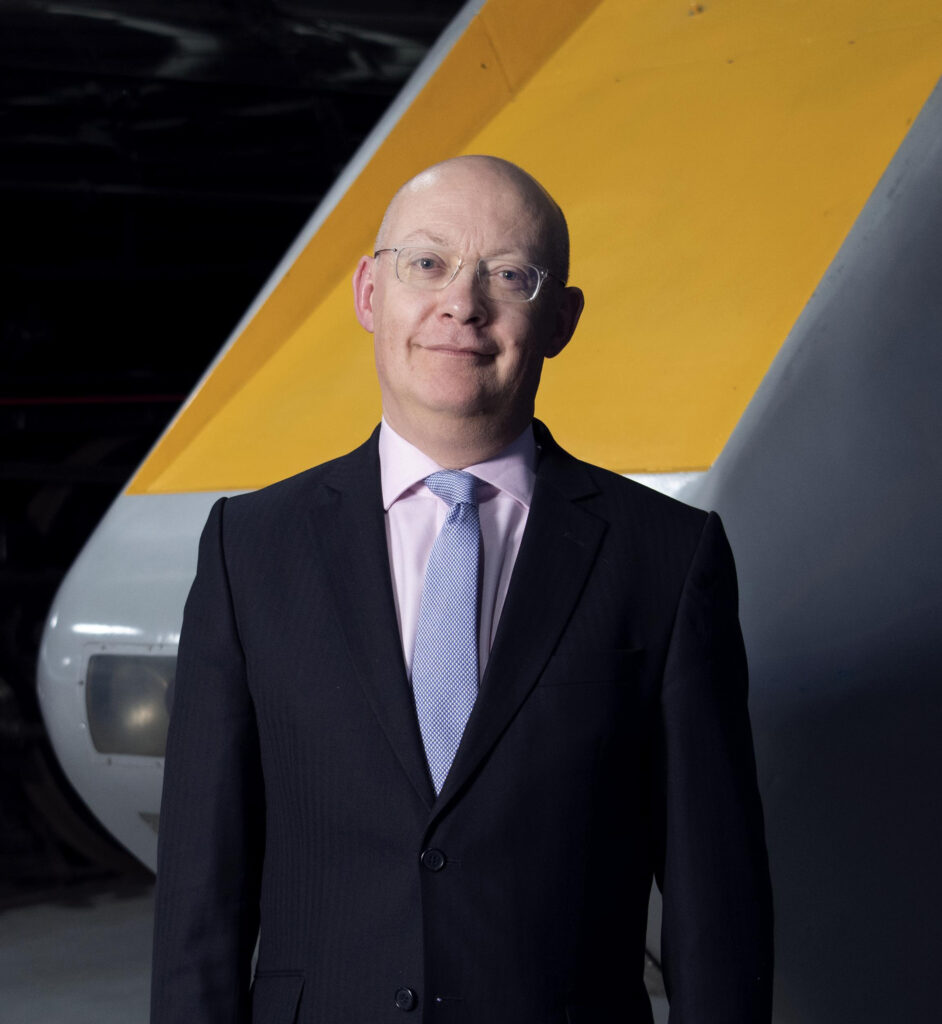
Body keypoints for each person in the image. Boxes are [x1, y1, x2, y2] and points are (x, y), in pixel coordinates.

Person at [151, 155, 773, 1023]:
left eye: (509, 275)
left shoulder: (667, 557)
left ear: (560, 319)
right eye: (428, 264)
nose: (462, 304)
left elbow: (719, 904)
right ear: (370, 292)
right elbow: (199, 899)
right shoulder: (249, 548)